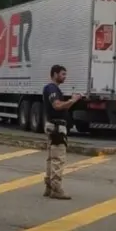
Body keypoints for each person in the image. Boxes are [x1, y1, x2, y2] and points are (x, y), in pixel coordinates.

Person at [43, 64, 83, 199]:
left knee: (51, 158)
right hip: (56, 127)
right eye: (62, 74)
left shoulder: (52, 89)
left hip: (52, 126)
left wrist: (71, 101)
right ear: (55, 74)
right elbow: (57, 105)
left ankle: (49, 186)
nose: (64, 77)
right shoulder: (52, 89)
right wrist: (72, 100)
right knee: (58, 158)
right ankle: (56, 188)